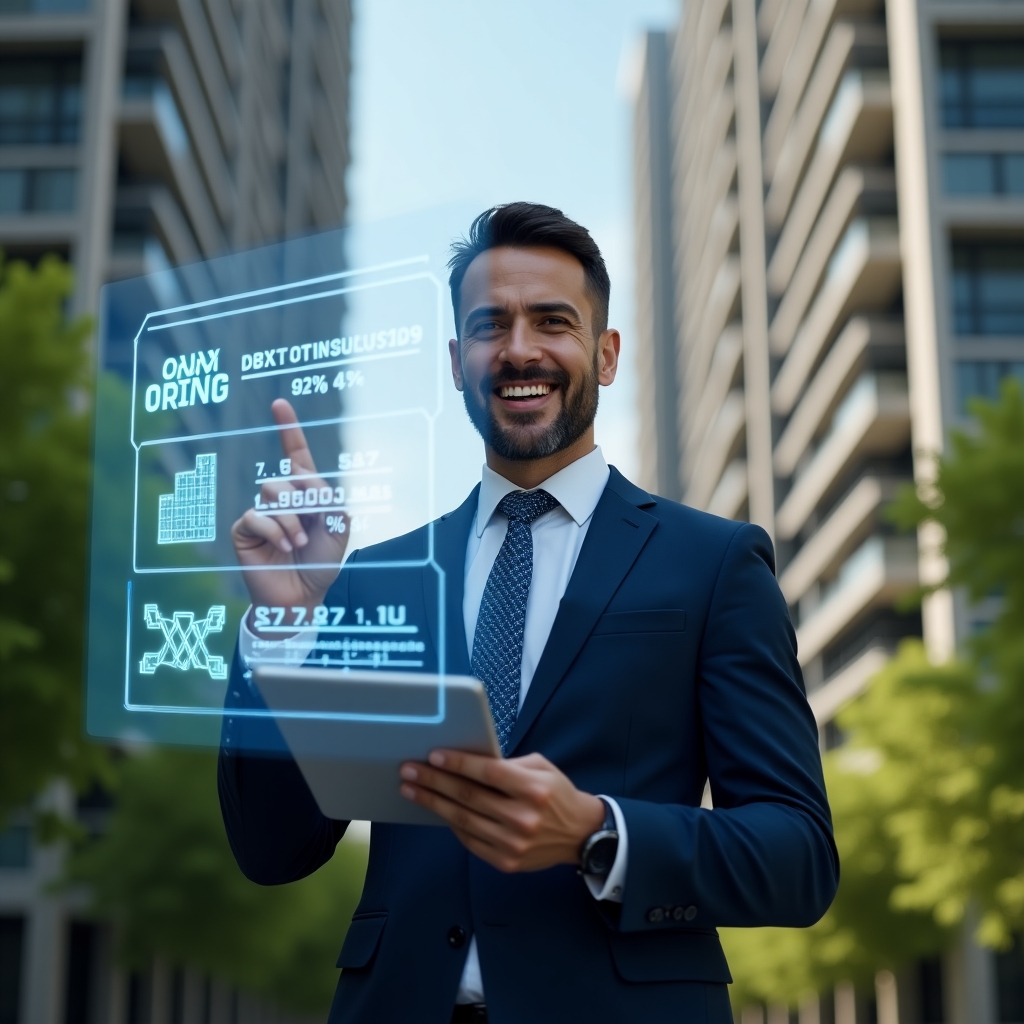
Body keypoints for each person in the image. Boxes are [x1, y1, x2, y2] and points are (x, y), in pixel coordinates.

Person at [218, 202, 839, 1023]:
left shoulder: (714, 564)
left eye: (553, 321)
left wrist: (598, 833)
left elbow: (796, 856)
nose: (518, 350)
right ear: (455, 359)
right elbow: (272, 850)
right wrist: (285, 630)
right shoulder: (372, 579)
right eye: (489, 325)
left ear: (606, 353)